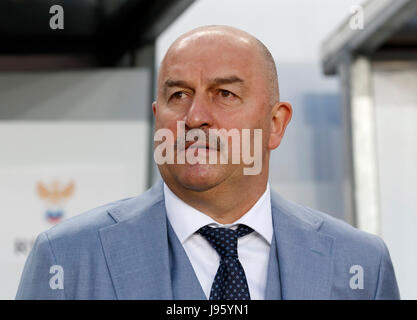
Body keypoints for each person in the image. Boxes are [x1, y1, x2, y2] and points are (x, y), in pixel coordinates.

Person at [16, 25, 400, 300]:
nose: (196, 116)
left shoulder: (362, 265)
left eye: (225, 94)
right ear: (157, 118)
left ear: (275, 124)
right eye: (179, 94)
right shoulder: (67, 259)